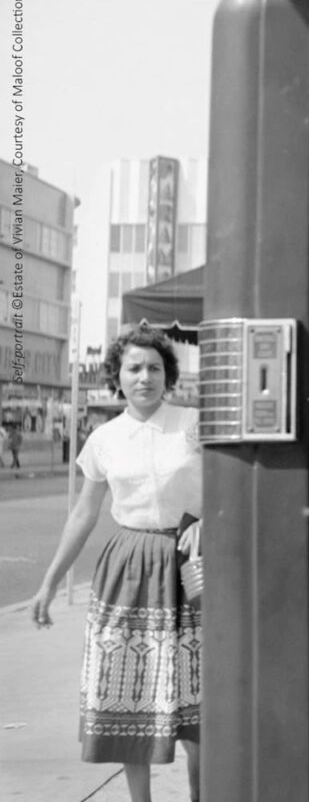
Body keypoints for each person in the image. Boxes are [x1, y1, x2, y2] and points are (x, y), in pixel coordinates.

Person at [29, 322, 202, 802]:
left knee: (197, 704)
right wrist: (48, 584)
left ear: (168, 375)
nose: (144, 377)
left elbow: (230, 491)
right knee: (132, 696)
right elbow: (84, 514)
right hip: (127, 569)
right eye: (134, 368)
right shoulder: (104, 438)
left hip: (190, 565)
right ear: (118, 377)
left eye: (154, 368)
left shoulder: (194, 425)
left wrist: (211, 521)